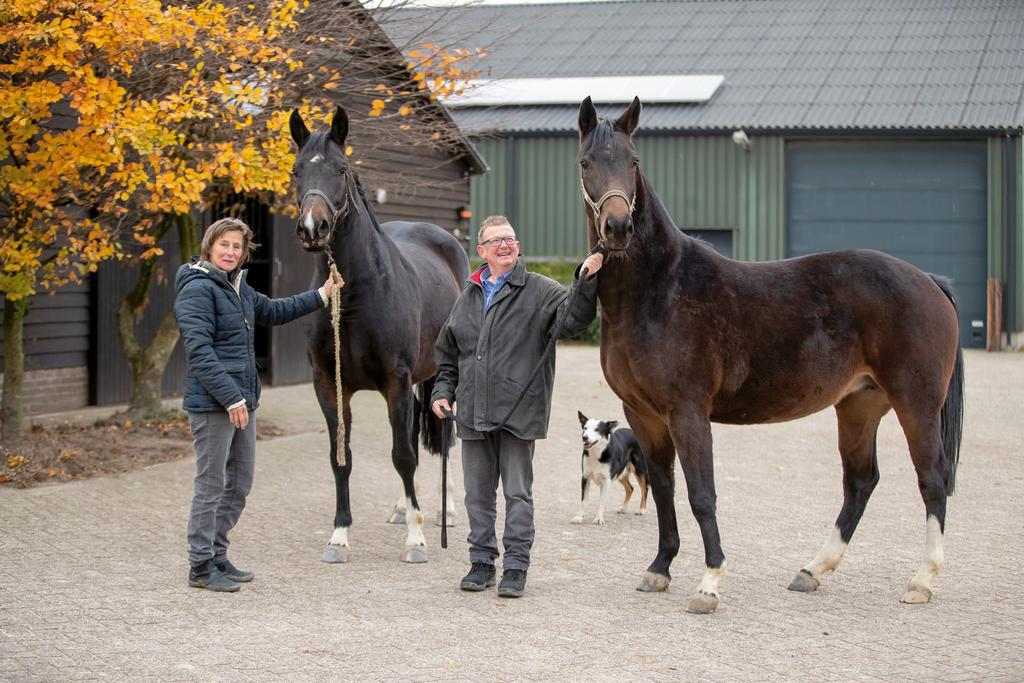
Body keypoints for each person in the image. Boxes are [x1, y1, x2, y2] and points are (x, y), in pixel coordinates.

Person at [431, 215, 604, 598]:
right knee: (477, 495)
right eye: (496, 241)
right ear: (482, 251)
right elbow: (448, 354)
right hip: (473, 413)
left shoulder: (541, 290)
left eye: (510, 239)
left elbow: (574, 318)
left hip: (518, 413)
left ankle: (515, 567)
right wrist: (442, 391)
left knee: (517, 494)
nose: (505, 245)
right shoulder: (468, 296)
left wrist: (585, 280)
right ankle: (481, 563)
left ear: (518, 245)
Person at [174, 217, 340, 592]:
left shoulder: (237, 288)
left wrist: (322, 294)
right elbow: (199, 352)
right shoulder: (198, 289)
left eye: (237, 246)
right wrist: (231, 397)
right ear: (209, 246)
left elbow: (274, 311)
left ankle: (217, 553)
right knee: (211, 484)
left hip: (242, 402)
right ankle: (200, 565)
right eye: (225, 245)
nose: (231, 252)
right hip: (215, 404)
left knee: (239, 484)